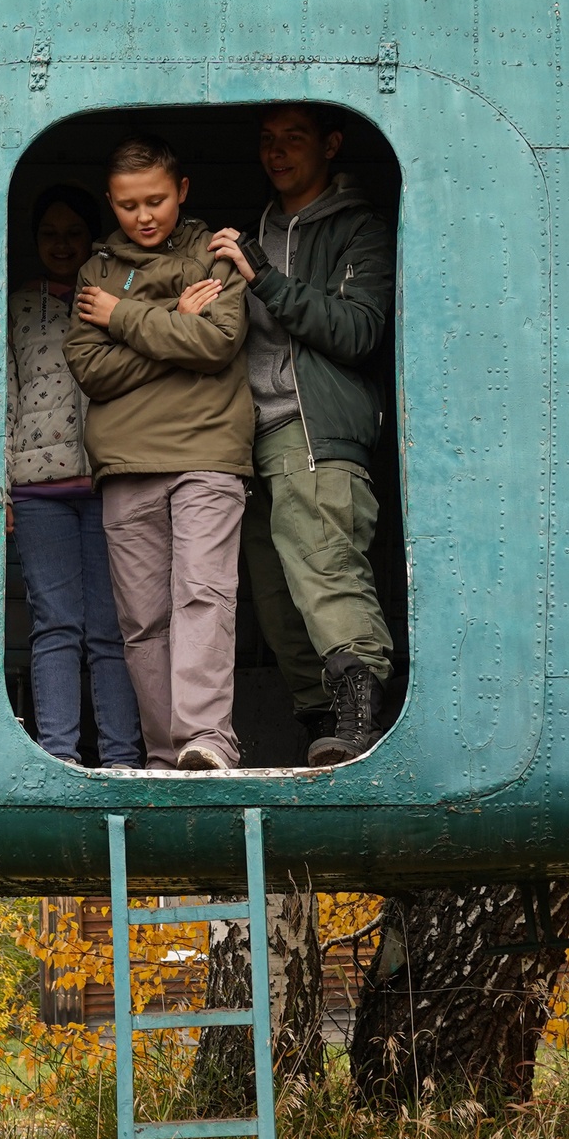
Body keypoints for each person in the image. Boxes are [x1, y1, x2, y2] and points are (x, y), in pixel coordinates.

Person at [207, 104, 399, 766]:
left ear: (332, 145)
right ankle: (321, 729)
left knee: (325, 574)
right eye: (268, 139)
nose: (278, 152)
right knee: (278, 601)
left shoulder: (358, 227)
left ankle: (360, 722)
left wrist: (264, 276)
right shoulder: (249, 226)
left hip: (312, 429)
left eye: (295, 139)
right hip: (244, 437)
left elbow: (357, 330)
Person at [61, 134, 252, 771]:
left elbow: (217, 342)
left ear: (183, 191)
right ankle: (169, 755)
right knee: (142, 621)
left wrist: (122, 318)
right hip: (125, 467)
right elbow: (90, 370)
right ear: (110, 204)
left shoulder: (216, 254)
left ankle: (208, 739)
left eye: (157, 200)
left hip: (208, 454)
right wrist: (174, 315)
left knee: (203, 595)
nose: (143, 216)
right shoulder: (96, 275)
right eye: (127, 205)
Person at [7, 185, 144, 768]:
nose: (60, 245)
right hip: (37, 491)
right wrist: (2, 482)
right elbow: (2, 398)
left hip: (108, 483)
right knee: (55, 625)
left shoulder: (117, 296)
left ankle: (120, 758)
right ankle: (58, 755)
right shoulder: (14, 305)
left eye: (72, 233)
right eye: (48, 234)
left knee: (113, 631)